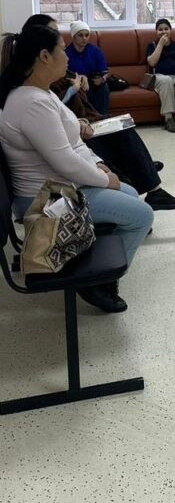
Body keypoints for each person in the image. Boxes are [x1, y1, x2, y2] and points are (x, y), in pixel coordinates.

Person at [0, 25, 153, 313]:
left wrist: (98, 164)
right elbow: (65, 161)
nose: (68, 57)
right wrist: (105, 181)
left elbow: (73, 143)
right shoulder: (33, 104)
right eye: (62, 49)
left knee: (131, 194)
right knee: (142, 215)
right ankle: (98, 284)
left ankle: (91, 260)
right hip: (47, 199)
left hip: (61, 185)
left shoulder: (41, 94)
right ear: (44, 56)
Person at [8, 15, 175, 212]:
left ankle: (142, 177)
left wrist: (86, 85)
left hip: (81, 121)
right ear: (43, 52)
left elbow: (59, 110)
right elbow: (59, 142)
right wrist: (73, 89)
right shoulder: (33, 96)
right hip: (57, 177)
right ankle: (139, 177)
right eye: (58, 40)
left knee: (119, 122)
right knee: (116, 137)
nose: (66, 54)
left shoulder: (45, 84)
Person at [146, 19, 175, 133]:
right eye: (160, 29)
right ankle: (169, 119)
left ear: (170, 30)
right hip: (160, 77)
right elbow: (152, 63)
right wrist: (160, 44)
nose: (163, 31)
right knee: (166, 80)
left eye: (166, 29)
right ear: (156, 32)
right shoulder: (152, 45)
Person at [65, 21, 110, 115]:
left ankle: (102, 117)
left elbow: (105, 71)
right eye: (80, 35)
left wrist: (102, 79)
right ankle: (90, 117)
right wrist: (78, 79)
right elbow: (64, 73)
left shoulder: (95, 50)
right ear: (74, 36)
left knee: (104, 87)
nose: (84, 38)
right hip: (77, 83)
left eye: (87, 35)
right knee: (82, 90)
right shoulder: (66, 53)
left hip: (94, 83)